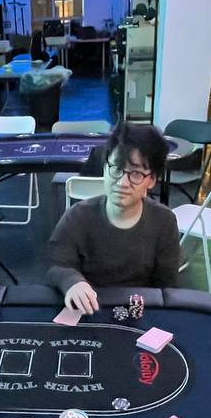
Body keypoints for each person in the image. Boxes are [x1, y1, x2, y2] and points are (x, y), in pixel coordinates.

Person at [46, 122, 181, 312]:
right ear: (104, 167)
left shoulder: (164, 221)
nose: (123, 183)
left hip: (142, 313)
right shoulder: (77, 216)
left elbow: (167, 287)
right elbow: (56, 266)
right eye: (116, 169)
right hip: (88, 310)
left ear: (151, 180)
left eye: (136, 174)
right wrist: (72, 282)